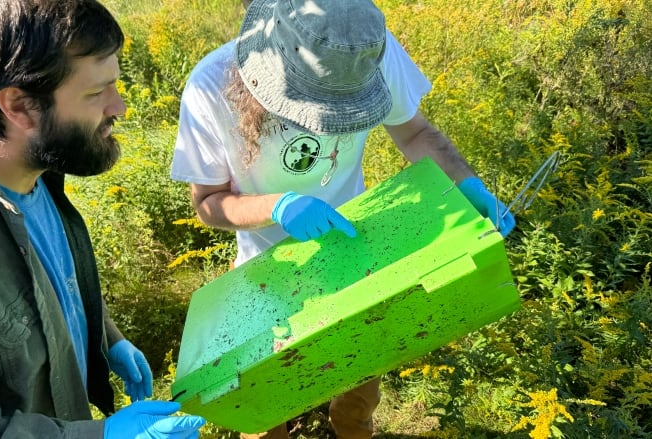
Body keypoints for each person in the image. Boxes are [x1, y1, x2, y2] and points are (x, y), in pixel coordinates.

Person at [170, 0, 515, 437]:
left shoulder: (362, 47)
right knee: (264, 406)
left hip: (359, 250)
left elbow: (415, 133)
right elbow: (208, 202)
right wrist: (277, 207)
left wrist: (467, 186)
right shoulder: (210, 86)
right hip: (268, 269)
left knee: (359, 385)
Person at [0, 0, 206, 437]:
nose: (119, 108)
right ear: (19, 106)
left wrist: (107, 337)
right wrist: (101, 435)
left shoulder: (32, 169)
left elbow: (48, 282)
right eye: (95, 93)